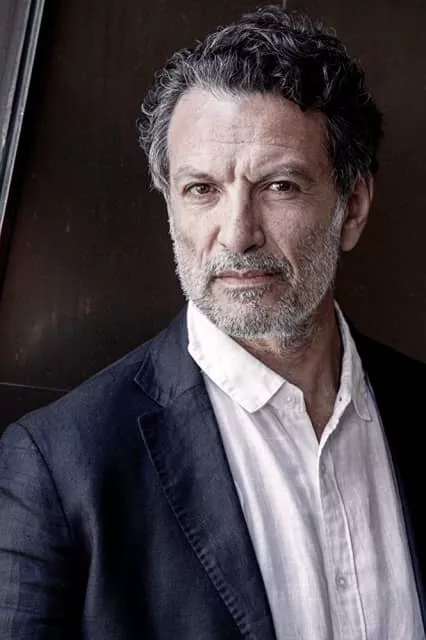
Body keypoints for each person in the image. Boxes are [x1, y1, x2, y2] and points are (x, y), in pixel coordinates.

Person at [1, 4, 425, 639]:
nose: (237, 234)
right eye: (202, 189)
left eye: (279, 186)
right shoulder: (58, 469)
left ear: (354, 206)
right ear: (171, 205)